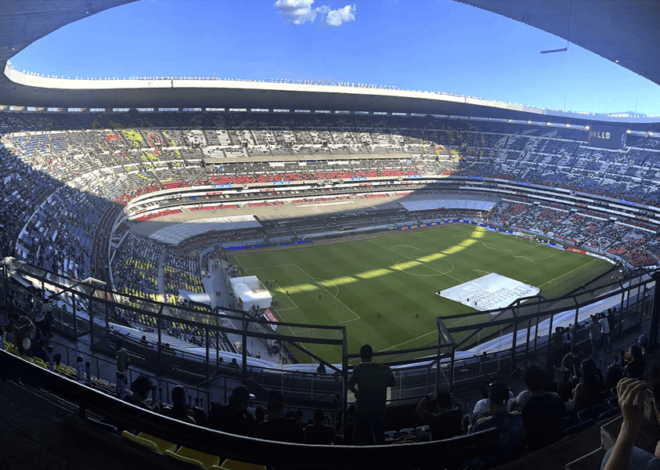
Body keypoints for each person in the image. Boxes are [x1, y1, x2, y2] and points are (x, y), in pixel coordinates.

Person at [348, 344, 395, 445]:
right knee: (379, 433)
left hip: (362, 409)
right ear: (372, 355)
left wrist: (357, 392)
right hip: (379, 408)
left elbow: (350, 385)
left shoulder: (358, 369)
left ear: (360, 356)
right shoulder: (385, 369)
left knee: (359, 433)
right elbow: (392, 383)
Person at [469, 381, 524, 468]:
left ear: (490, 401)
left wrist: (470, 426)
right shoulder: (518, 417)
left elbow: (470, 451)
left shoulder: (481, 425)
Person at [517, 366, 566, 448]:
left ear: (526, 385)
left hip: (538, 446)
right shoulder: (555, 397)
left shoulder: (528, 406)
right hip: (557, 440)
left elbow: (525, 431)